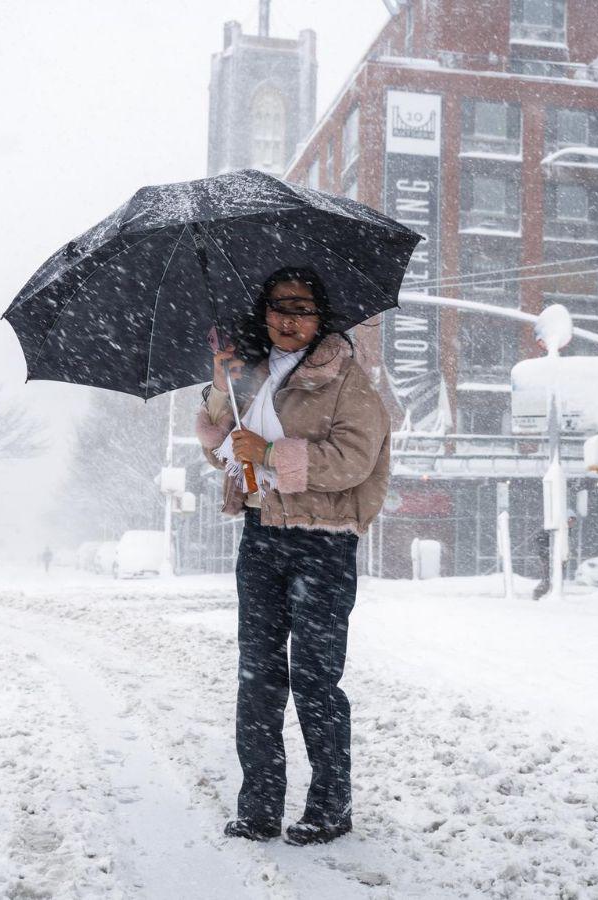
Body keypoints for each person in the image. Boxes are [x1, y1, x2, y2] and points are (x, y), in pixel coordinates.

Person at [195, 266, 391, 846]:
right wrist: (216, 390)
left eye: (302, 308)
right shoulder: (250, 376)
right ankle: (258, 807)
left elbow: (354, 460)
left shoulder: (347, 379)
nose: (289, 318)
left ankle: (331, 807)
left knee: (314, 679)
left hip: (323, 541)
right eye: (279, 306)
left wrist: (275, 452)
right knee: (257, 678)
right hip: (261, 536)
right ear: (264, 312)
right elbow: (226, 458)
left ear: (321, 316)